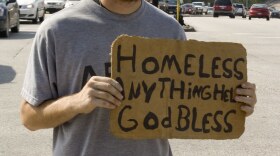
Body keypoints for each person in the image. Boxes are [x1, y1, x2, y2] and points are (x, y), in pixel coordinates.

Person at [20, 0, 257, 156]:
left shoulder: (169, 29)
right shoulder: (58, 30)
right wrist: (77, 102)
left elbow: (189, 99)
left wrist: (233, 101)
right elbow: (30, 118)